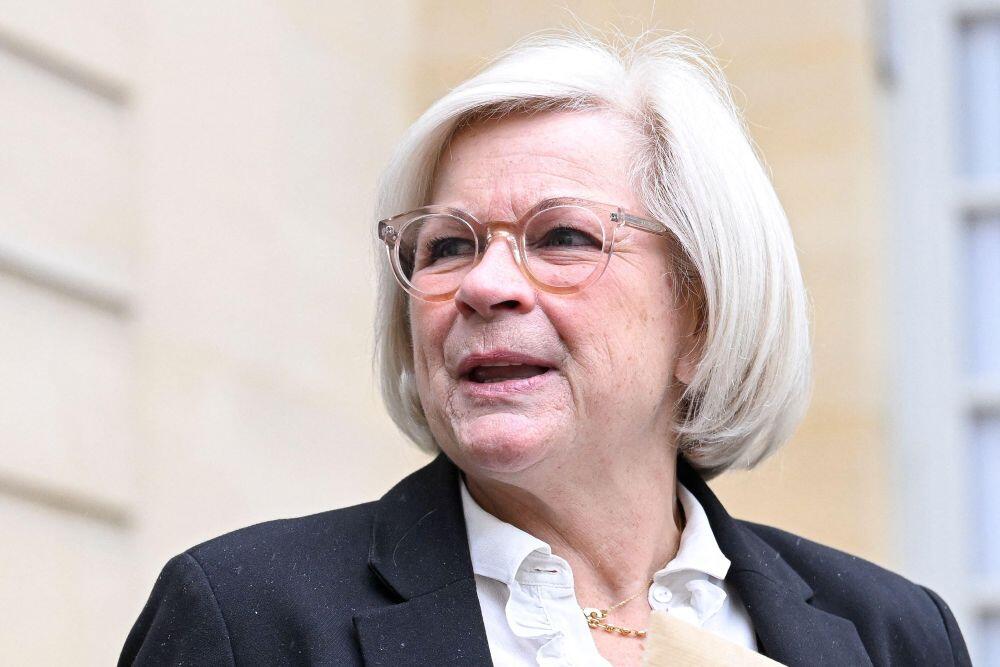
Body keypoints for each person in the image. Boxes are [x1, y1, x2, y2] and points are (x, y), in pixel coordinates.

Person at [119, 33, 971, 666]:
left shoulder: (894, 633)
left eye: (560, 236)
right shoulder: (249, 618)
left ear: (701, 313)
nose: (485, 286)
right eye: (447, 245)